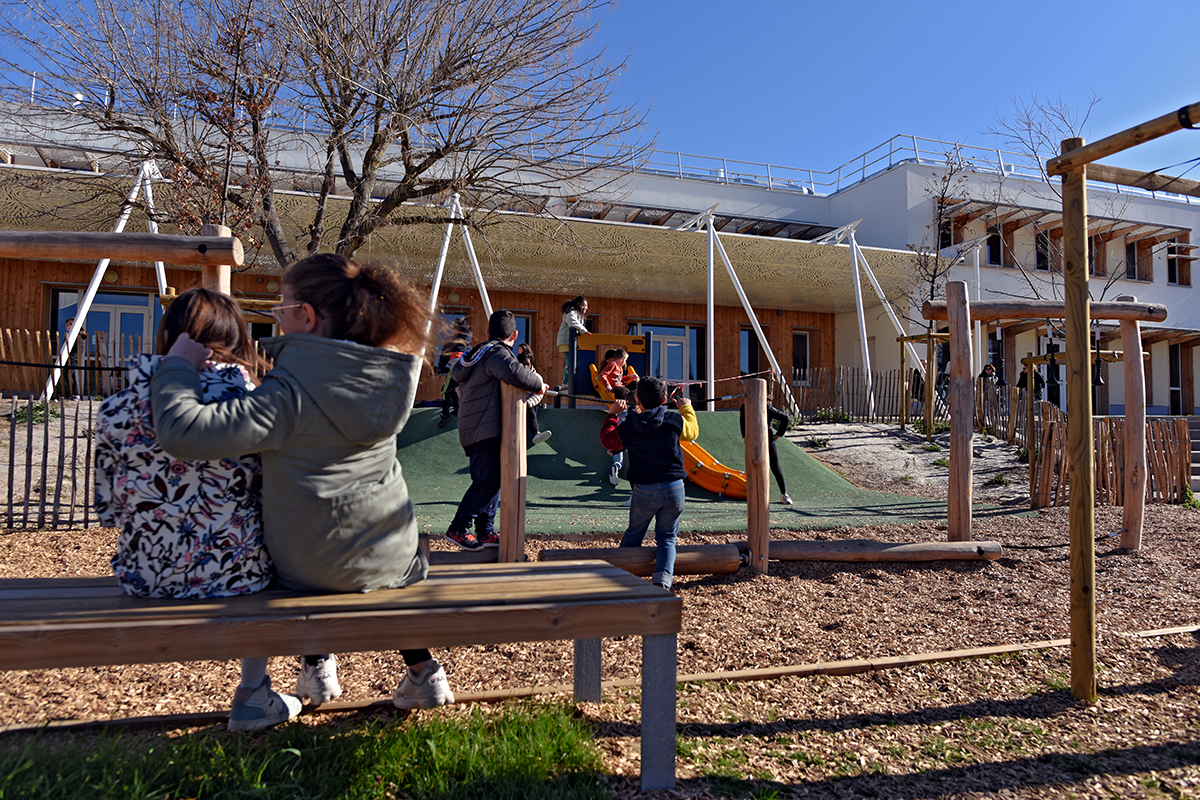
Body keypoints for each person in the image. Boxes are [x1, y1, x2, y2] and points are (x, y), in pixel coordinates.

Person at [149, 253, 454, 717]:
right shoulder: (391, 383)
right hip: (392, 555)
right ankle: (423, 673)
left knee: (267, 551)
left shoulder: (288, 395)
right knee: (351, 550)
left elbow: (183, 433)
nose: (278, 318)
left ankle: (314, 667)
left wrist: (176, 367)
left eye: (282, 309)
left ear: (306, 317)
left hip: (310, 566)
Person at [95, 287, 291, 732]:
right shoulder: (253, 404)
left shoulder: (118, 407)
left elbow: (107, 506)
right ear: (238, 339)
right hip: (240, 576)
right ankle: (253, 690)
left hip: (146, 575)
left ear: (167, 336)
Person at [446, 310, 548, 550]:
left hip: (476, 426)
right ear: (514, 334)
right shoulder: (497, 353)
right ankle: (458, 528)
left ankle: (485, 531)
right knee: (487, 482)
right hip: (484, 427)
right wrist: (539, 384)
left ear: (487, 332)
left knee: (493, 481)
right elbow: (515, 373)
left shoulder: (478, 352)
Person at [600, 376, 698, 590]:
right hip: (674, 487)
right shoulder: (673, 420)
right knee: (667, 537)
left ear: (637, 400)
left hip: (644, 489)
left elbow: (608, 441)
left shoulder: (630, 426)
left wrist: (611, 415)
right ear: (664, 399)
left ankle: (619, 576)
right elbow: (692, 432)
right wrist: (687, 408)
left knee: (634, 533)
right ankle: (663, 579)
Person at [739, 381, 793, 505]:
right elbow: (742, 423)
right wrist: (745, 437)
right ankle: (754, 493)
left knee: (774, 466)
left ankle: (784, 494)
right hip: (752, 439)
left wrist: (778, 435)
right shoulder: (744, 407)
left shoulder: (767, 407)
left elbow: (785, 418)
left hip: (767, 439)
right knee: (753, 465)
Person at [436, 317, 471, 428]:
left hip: (455, 369)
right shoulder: (468, 344)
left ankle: (445, 414)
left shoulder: (451, 342)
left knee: (444, 391)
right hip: (466, 371)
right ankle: (457, 408)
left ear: (456, 329)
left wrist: (439, 370)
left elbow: (443, 357)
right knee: (451, 388)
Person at [516, 342, 552, 447]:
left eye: (528, 364)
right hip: (517, 402)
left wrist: (528, 403)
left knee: (531, 412)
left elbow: (539, 395)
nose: (526, 367)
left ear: (531, 364)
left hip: (529, 403)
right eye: (523, 365)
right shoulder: (516, 377)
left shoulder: (536, 377)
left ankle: (536, 433)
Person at [556, 296, 588, 388]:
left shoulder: (578, 314)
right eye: (583, 305)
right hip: (566, 340)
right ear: (578, 304)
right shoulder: (572, 311)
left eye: (586, 306)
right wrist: (584, 330)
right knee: (570, 361)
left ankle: (568, 381)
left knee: (571, 361)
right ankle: (566, 382)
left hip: (570, 341)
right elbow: (571, 321)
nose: (584, 307)